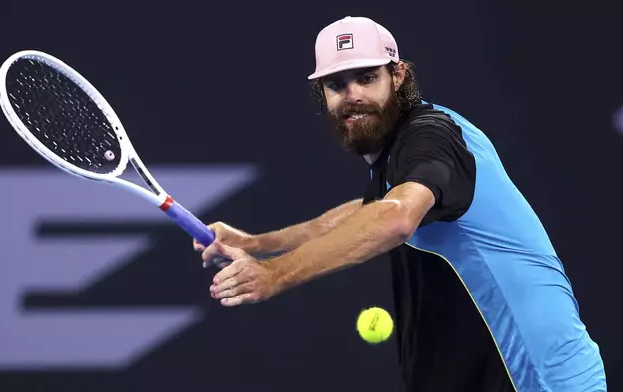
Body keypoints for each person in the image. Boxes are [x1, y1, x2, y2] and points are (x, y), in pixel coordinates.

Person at [193, 16, 607, 392]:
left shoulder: (432, 135)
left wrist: (274, 274)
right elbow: (365, 211)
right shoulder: (398, 152)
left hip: (536, 379)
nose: (352, 95)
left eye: (367, 77)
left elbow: (395, 217)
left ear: (398, 75)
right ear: (322, 95)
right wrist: (256, 245)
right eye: (337, 84)